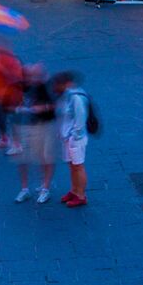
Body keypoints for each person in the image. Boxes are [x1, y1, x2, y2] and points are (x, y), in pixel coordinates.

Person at [12, 65, 56, 203]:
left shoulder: (45, 87)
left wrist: (42, 108)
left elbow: (55, 105)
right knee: (22, 159)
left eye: (33, 75)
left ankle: (45, 188)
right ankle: (24, 189)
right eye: (28, 76)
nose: (31, 79)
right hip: (24, 126)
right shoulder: (19, 87)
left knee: (45, 157)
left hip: (43, 126)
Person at [53, 71, 91, 208]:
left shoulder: (76, 97)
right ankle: (74, 190)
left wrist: (74, 136)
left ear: (67, 83)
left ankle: (81, 195)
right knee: (72, 166)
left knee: (78, 166)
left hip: (75, 139)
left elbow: (80, 119)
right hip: (67, 137)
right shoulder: (66, 95)